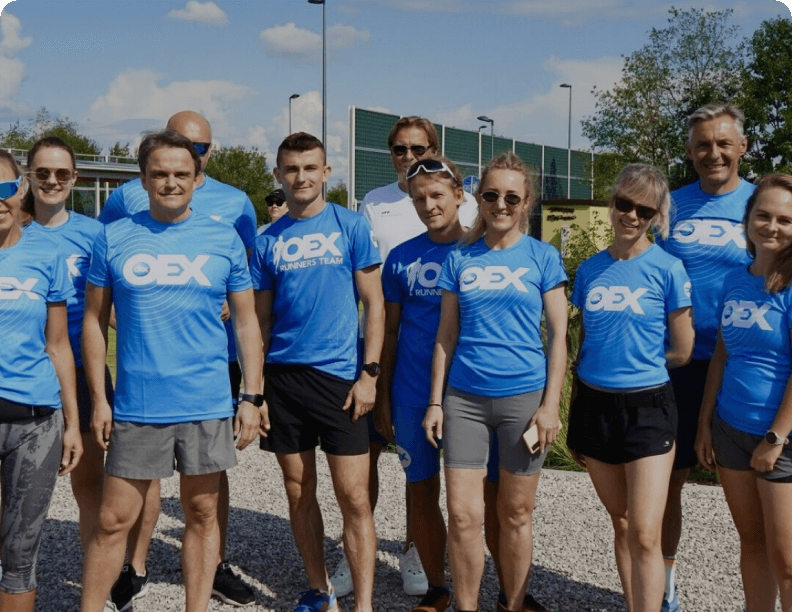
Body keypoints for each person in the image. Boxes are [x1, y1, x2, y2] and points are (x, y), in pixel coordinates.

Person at [79, 130, 264, 612]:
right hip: (139, 404)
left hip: (205, 401)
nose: (170, 182)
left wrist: (251, 396)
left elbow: (246, 323)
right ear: (142, 178)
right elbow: (95, 322)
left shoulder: (223, 238)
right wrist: (100, 398)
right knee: (113, 520)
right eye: (159, 173)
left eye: (181, 173)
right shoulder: (114, 236)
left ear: (198, 179)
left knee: (202, 513)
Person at [333, 115, 478, 599]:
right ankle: (433, 582)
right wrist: (386, 389)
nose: (429, 205)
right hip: (412, 386)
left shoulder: (482, 249)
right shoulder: (399, 253)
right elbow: (389, 329)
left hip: (471, 389)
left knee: (473, 502)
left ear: (460, 194)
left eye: (437, 196)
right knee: (420, 490)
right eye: (420, 199)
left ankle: (479, 591)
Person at [424, 152, 568, 612]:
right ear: (480, 200)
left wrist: (550, 407)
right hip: (464, 400)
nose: (500, 204)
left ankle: (513, 602)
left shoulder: (543, 256)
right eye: (491, 195)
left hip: (523, 402)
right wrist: (435, 402)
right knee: (464, 517)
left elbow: (559, 338)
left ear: (526, 202)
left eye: (511, 196)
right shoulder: (460, 258)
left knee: (515, 515)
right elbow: (446, 336)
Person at [251, 132, 383, 612]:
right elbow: (259, 323)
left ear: (326, 172)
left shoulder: (351, 227)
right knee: (298, 491)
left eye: (311, 168)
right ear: (279, 175)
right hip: (283, 382)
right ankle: (319, 589)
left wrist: (369, 373)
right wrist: (256, 391)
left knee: (354, 498)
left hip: (340, 380)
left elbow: (375, 305)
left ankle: (364, 603)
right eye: (292, 169)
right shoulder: (267, 242)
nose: (301, 177)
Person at [566, 164, 694, 612]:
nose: (632, 216)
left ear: (656, 215)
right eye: (624, 203)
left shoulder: (668, 268)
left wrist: (638, 369)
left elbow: (682, 348)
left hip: (648, 407)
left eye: (644, 209)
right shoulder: (589, 271)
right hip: (594, 406)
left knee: (644, 531)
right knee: (621, 524)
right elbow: (583, 344)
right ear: (611, 203)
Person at [654, 102, 754, 612]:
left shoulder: (766, 204)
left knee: (759, 486)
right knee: (667, 480)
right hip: (681, 364)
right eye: (701, 144)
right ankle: (664, 584)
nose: (712, 153)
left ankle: (761, 590)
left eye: (722, 142)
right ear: (689, 151)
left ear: (742, 147)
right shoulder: (670, 206)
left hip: (750, 364)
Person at [696, 175, 792, 612]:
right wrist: (704, 425)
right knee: (752, 545)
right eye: (764, 215)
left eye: (785, 219)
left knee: (787, 560)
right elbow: (721, 356)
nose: (772, 226)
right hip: (730, 429)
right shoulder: (735, 280)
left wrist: (776, 438)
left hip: (779, 439)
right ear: (748, 219)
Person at [0, 149, 82, 612]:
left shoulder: (45, 254)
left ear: (20, 190)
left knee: (19, 557)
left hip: (34, 423)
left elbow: (58, 346)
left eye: (4, 188)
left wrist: (72, 423)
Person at [22, 137, 113, 552]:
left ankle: (98, 575)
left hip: (81, 369)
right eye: (42, 172)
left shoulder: (95, 235)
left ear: (75, 178)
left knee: (90, 483)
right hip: (24, 370)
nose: (52, 181)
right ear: (28, 177)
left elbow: (117, 305)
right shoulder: (11, 232)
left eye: (61, 173)